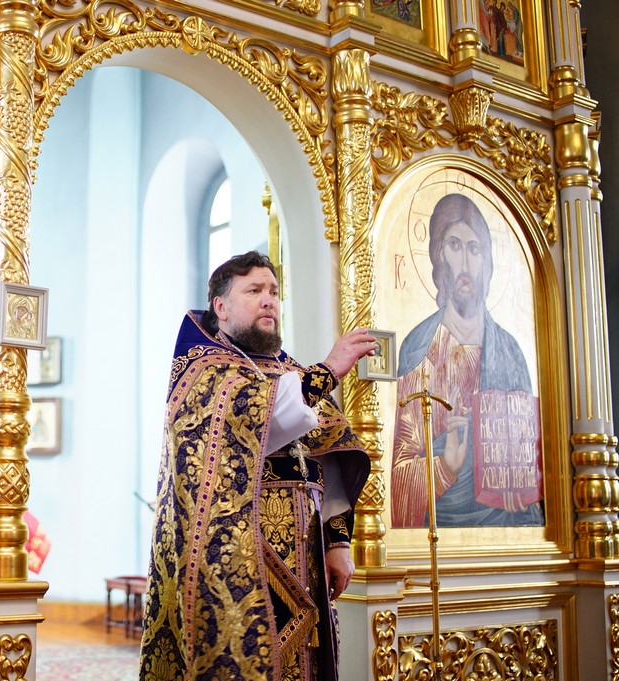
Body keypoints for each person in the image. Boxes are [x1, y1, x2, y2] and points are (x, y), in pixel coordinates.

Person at [139, 251, 375, 680]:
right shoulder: (203, 371)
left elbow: (333, 458)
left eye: (274, 291)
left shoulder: (289, 370)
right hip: (240, 559)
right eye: (254, 291)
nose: (269, 300)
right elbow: (253, 418)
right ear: (221, 307)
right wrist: (326, 373)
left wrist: (338, 543)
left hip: (306, 557)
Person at [391, 193, 543, 528]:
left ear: (486, 262)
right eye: (454, 245)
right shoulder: (420, 349)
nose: (465, 264)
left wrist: (525, 484)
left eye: (474, 249)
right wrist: (445, 466)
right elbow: (398, 477)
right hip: (437, 532)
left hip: (508, 532)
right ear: (438, 255)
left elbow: (529, 455)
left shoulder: (511, 351)